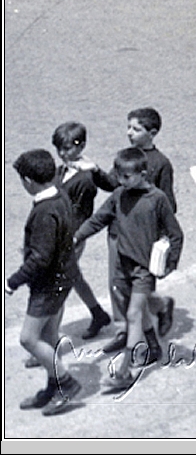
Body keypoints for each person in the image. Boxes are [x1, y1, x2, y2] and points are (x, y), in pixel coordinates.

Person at [73, 147, 183, 395]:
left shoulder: (157, 200)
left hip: (144, 269)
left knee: (133, 315)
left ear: (143, 174)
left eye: (126, 176)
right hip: (123, 266)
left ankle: (125, 372)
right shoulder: (119, 195)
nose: (121, 182)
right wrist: (77, 236)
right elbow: (98, 219)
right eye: (119, 176)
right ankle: (153, 346)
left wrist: (170, 263)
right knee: (137, 311)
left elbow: (175, 234)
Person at [7, 149, 82, 415]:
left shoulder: (44, 211)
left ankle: (66, 382)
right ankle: (54, 387)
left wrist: (12, 282)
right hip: (63, 277)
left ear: (28, 180)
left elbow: (40, 258)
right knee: (48, 336)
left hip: (49, 283)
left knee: (29, 338)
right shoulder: (59, 195)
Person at [50, 122, 113, 340]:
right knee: (73, 276)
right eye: (59, 148)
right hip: (58, 234)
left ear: (82, 146)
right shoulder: (60, 171)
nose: (62, 153)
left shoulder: (85, 179)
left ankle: (49, 343)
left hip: (70, 237)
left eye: (67, 148)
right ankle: (98, 313)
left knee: (57, 289)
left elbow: (81, 215)